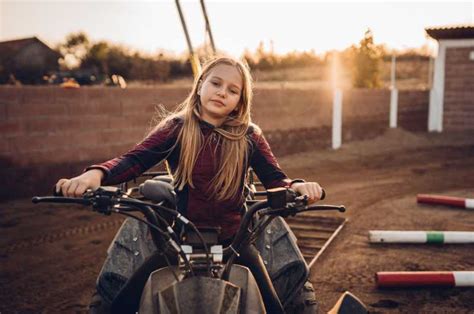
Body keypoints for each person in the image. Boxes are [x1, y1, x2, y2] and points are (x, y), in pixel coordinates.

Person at [55, 56, 323, 313]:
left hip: (234, 242)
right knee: (120, 304)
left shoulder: (249, 135)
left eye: (232, 90)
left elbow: (276, 178)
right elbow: (133, 161)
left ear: (240, 101)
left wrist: (298, 187)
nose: (221, 93)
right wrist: (95, 175)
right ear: (200, 85)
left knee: (274, 305)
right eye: (215, 83)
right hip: (179, 241)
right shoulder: (177, 128)